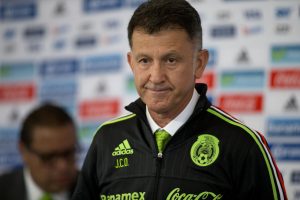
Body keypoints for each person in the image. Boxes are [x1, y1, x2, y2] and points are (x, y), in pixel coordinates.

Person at [72, 0, 287, 199]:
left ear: (199, 63)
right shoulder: (106, 139)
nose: (156, 77)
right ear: (131, 63)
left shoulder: (242, 144)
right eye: (144, 60)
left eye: (171, 60)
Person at [0, 103, 79, 200]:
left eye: (69, 153)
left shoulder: (96, 190)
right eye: (49, 157)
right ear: (23, 151)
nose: (63, 166)